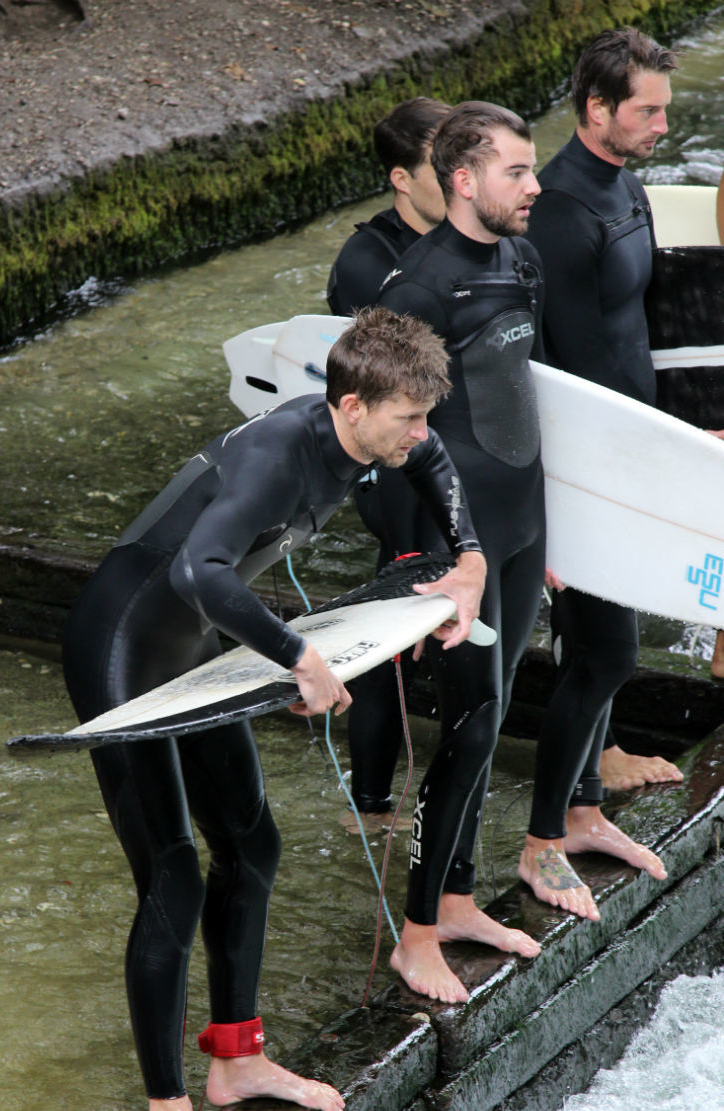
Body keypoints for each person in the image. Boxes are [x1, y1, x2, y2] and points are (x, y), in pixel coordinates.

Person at [62, 307, 487, 1111]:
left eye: (422, 415)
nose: (421, 433)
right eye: (407, 416)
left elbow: (437, 461)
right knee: (173, 871)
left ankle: (236, 1060)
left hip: (199, 646)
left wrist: (471, 558)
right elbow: (199, 571)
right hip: (124, 647)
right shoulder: (276, 454)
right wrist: (296, 656)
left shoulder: (375, 439)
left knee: (253, 846)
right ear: (349, 403)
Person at [374, 101, 547, 1001]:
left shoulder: (520, 258)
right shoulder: (417, 289)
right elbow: (394, 446)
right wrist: (421, 577)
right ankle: (416, 932)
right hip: (459, 549)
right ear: (461, 181)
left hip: (523, 526)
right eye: (515, 171)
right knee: (469, 724)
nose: (534, 184)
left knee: (496, 712)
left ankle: (458, 896)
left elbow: (534, 395)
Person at [520, 28, 681, 920]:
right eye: (646, 109)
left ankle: (579, 809)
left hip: (631, 453)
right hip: (584, 470)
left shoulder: (622, 183)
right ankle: (545, 838)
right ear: (596, 110)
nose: (662, 123)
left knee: (597, 650)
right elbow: (543, 364)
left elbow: (637, 324)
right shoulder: (556, 210)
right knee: (606, 651)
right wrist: (552, 503)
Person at [326, 96, 450, 833]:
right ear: (402, 179)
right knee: (392, 625)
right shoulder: (367, 260)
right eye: (446, 166)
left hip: (451, 458)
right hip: (393, 463)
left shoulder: (470, 241)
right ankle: (370, 808)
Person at [326, 97, 449, 316]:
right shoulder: (366, 263)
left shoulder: (492, 231)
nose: (464, 183)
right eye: (443, 172)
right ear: (402, 180)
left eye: (469, 164)